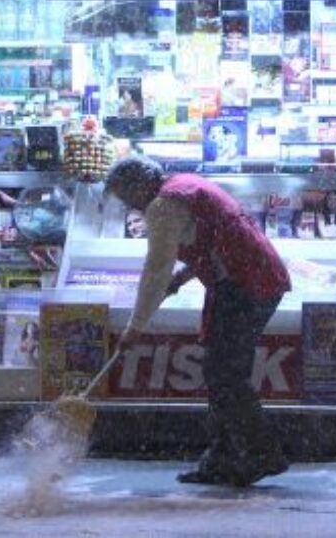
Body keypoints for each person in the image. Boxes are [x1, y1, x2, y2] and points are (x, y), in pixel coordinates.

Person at [103, 155, 292, 487]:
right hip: (256, 277)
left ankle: (259, 454)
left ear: (139, 186)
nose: (130, 206)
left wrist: (135, 327)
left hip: (245, 284)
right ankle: (224, 459)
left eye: (126, 197)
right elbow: (216, 236)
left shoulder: (163, 206)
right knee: (220, 373)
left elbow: (156, 269)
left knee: (225, 375)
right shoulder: (187, 186)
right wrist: (184, 276)